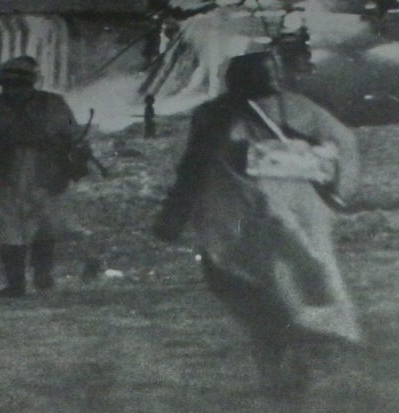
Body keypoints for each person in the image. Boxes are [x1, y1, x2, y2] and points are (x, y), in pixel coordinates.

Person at [153, 50, 359, 393]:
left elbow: (191, 168)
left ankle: (281, 366)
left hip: (235, 223)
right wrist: (337, 193)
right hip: (295, 220)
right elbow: (345, 146)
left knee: (254, 295)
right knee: (301, 285)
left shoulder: (213, 114)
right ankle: (302, 358)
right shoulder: (302, 109)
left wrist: (174, 217)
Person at [0, 55, 83, 297]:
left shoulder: (4, 108)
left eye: (18, 84)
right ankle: (25, 280)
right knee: (18, 226)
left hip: (35, 171)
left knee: (36, 225)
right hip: (14, 172)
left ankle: (32, 277)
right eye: (10, 84)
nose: (14, 89)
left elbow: (74, 138)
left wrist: (73, 165)